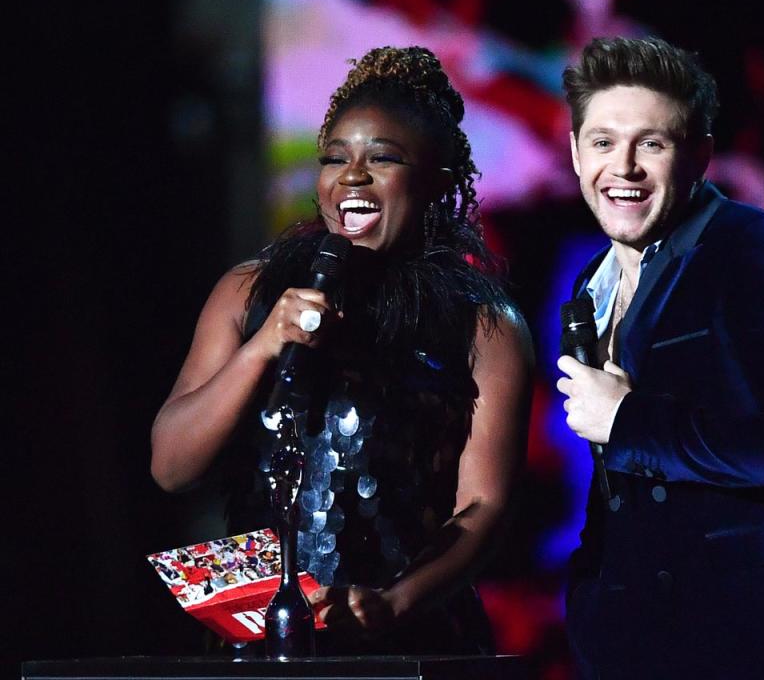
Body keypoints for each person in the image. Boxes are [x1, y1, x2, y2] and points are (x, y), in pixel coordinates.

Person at [151, 46, 533, 654]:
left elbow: (485, 505)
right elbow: (171, 468)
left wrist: (395, 602)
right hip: (268, 642)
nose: (352, 176)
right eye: (335, 158)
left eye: (382, 158)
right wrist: (260, 349)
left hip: (414, 640)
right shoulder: (249, 295)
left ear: (437, 180)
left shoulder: (484, 324)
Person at [555, 36, 764, 679]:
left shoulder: (756, 249)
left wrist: (631, 421)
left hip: (759, 642)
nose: (622, 167)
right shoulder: (590, 284)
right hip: (639, 645)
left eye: (651, 143)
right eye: (602, 142)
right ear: (574, 153)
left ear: (700, 155)